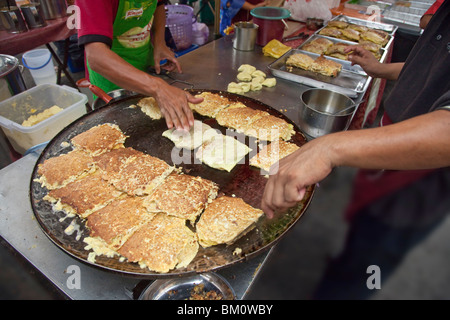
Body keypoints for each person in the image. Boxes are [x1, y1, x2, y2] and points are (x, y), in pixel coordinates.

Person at [261, 0, 450, 299]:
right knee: (363, 226)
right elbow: (435, 72)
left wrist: (328, 149)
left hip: (423, 165)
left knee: (375, 249)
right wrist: (380, 69)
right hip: (392, 138)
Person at [76, 0, 202, 131]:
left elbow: (158, 5)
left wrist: (159, 42)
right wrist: (158, 88)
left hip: (144, 63)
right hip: (111, 76)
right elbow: (96, 56)